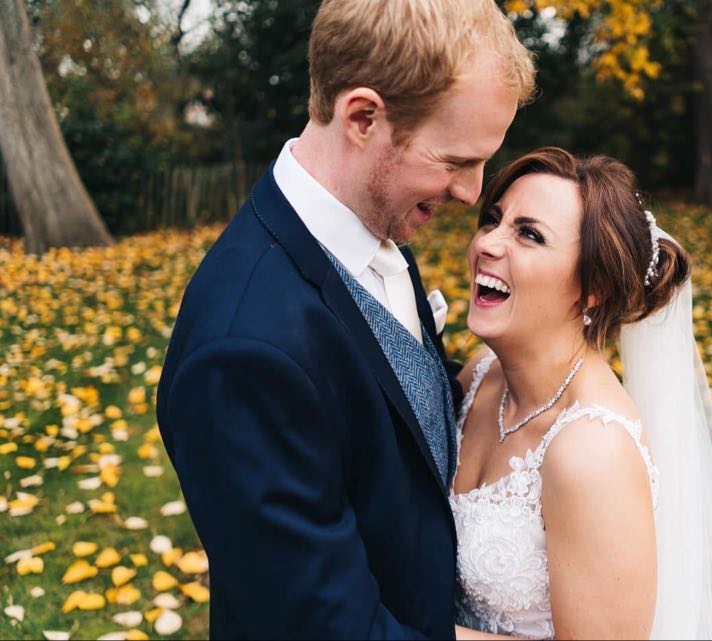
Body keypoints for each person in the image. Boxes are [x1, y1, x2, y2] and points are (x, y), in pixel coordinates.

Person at [156, 1, 535, 638]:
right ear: (362, 117)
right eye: (455, 162)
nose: (474, 193)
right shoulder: (243, 351)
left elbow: (398, 416)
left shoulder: (371, 225)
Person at [450, 147, 712, 639]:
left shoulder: (592, 450)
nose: (488, 245)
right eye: (493, 221)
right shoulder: (480, 377)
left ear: (593, 289)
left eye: (530, 235)